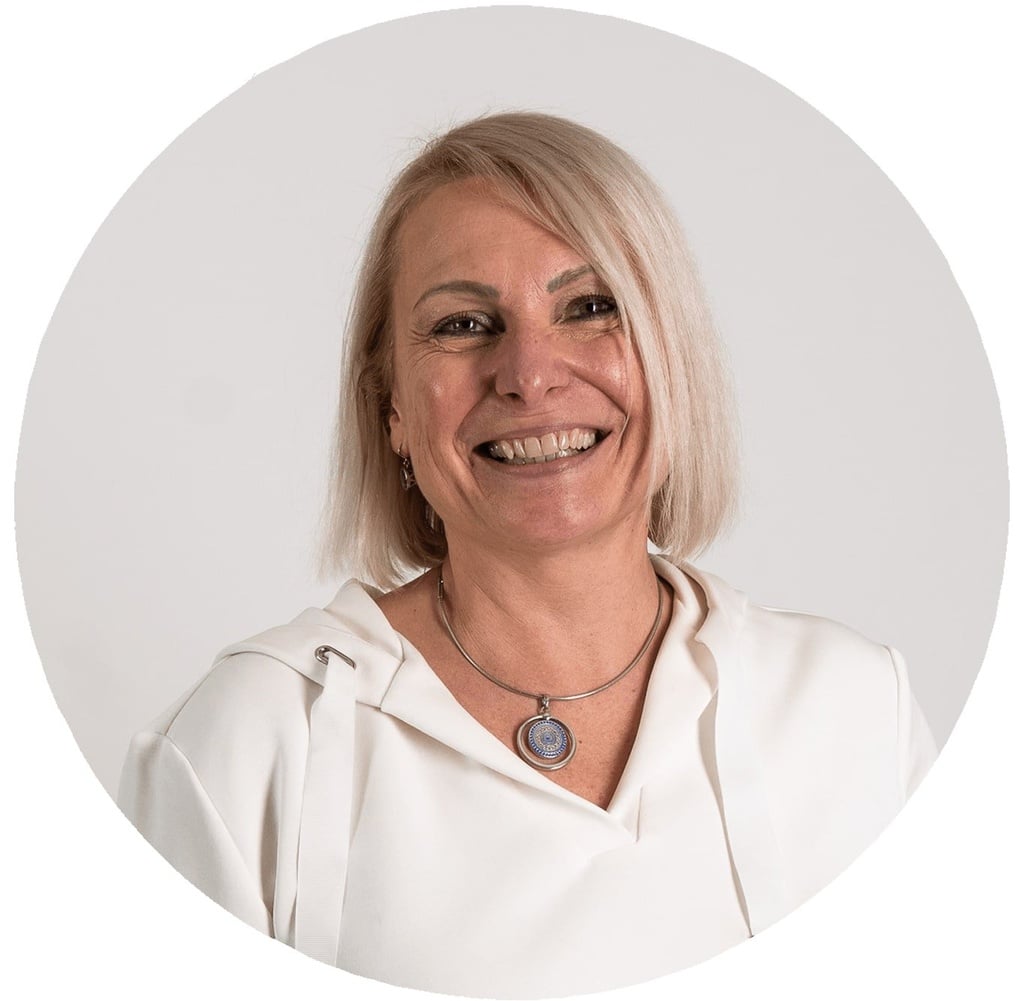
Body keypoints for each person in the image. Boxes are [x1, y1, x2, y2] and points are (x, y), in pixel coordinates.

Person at [118, 112, 937, 998]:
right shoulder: (248, 745)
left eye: (591, 307)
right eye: (464, 323)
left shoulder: (860, 710)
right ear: (391, 407)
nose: (530, 373)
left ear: (674, 357)